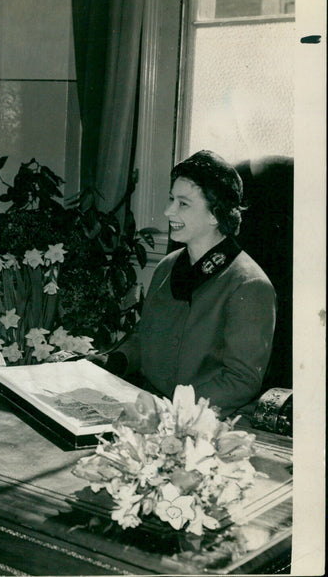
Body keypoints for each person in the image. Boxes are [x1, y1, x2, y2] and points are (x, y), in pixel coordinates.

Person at [105, 150, 276, 417]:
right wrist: (114, 360)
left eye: (183, 204)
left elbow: (241, 381)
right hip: (150, 409)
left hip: (202, 422)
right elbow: (145, 336)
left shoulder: (249, 285)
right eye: (172, 199)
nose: (168, 210)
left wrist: (171, 409)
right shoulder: (167, 267)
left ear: (215, 215)